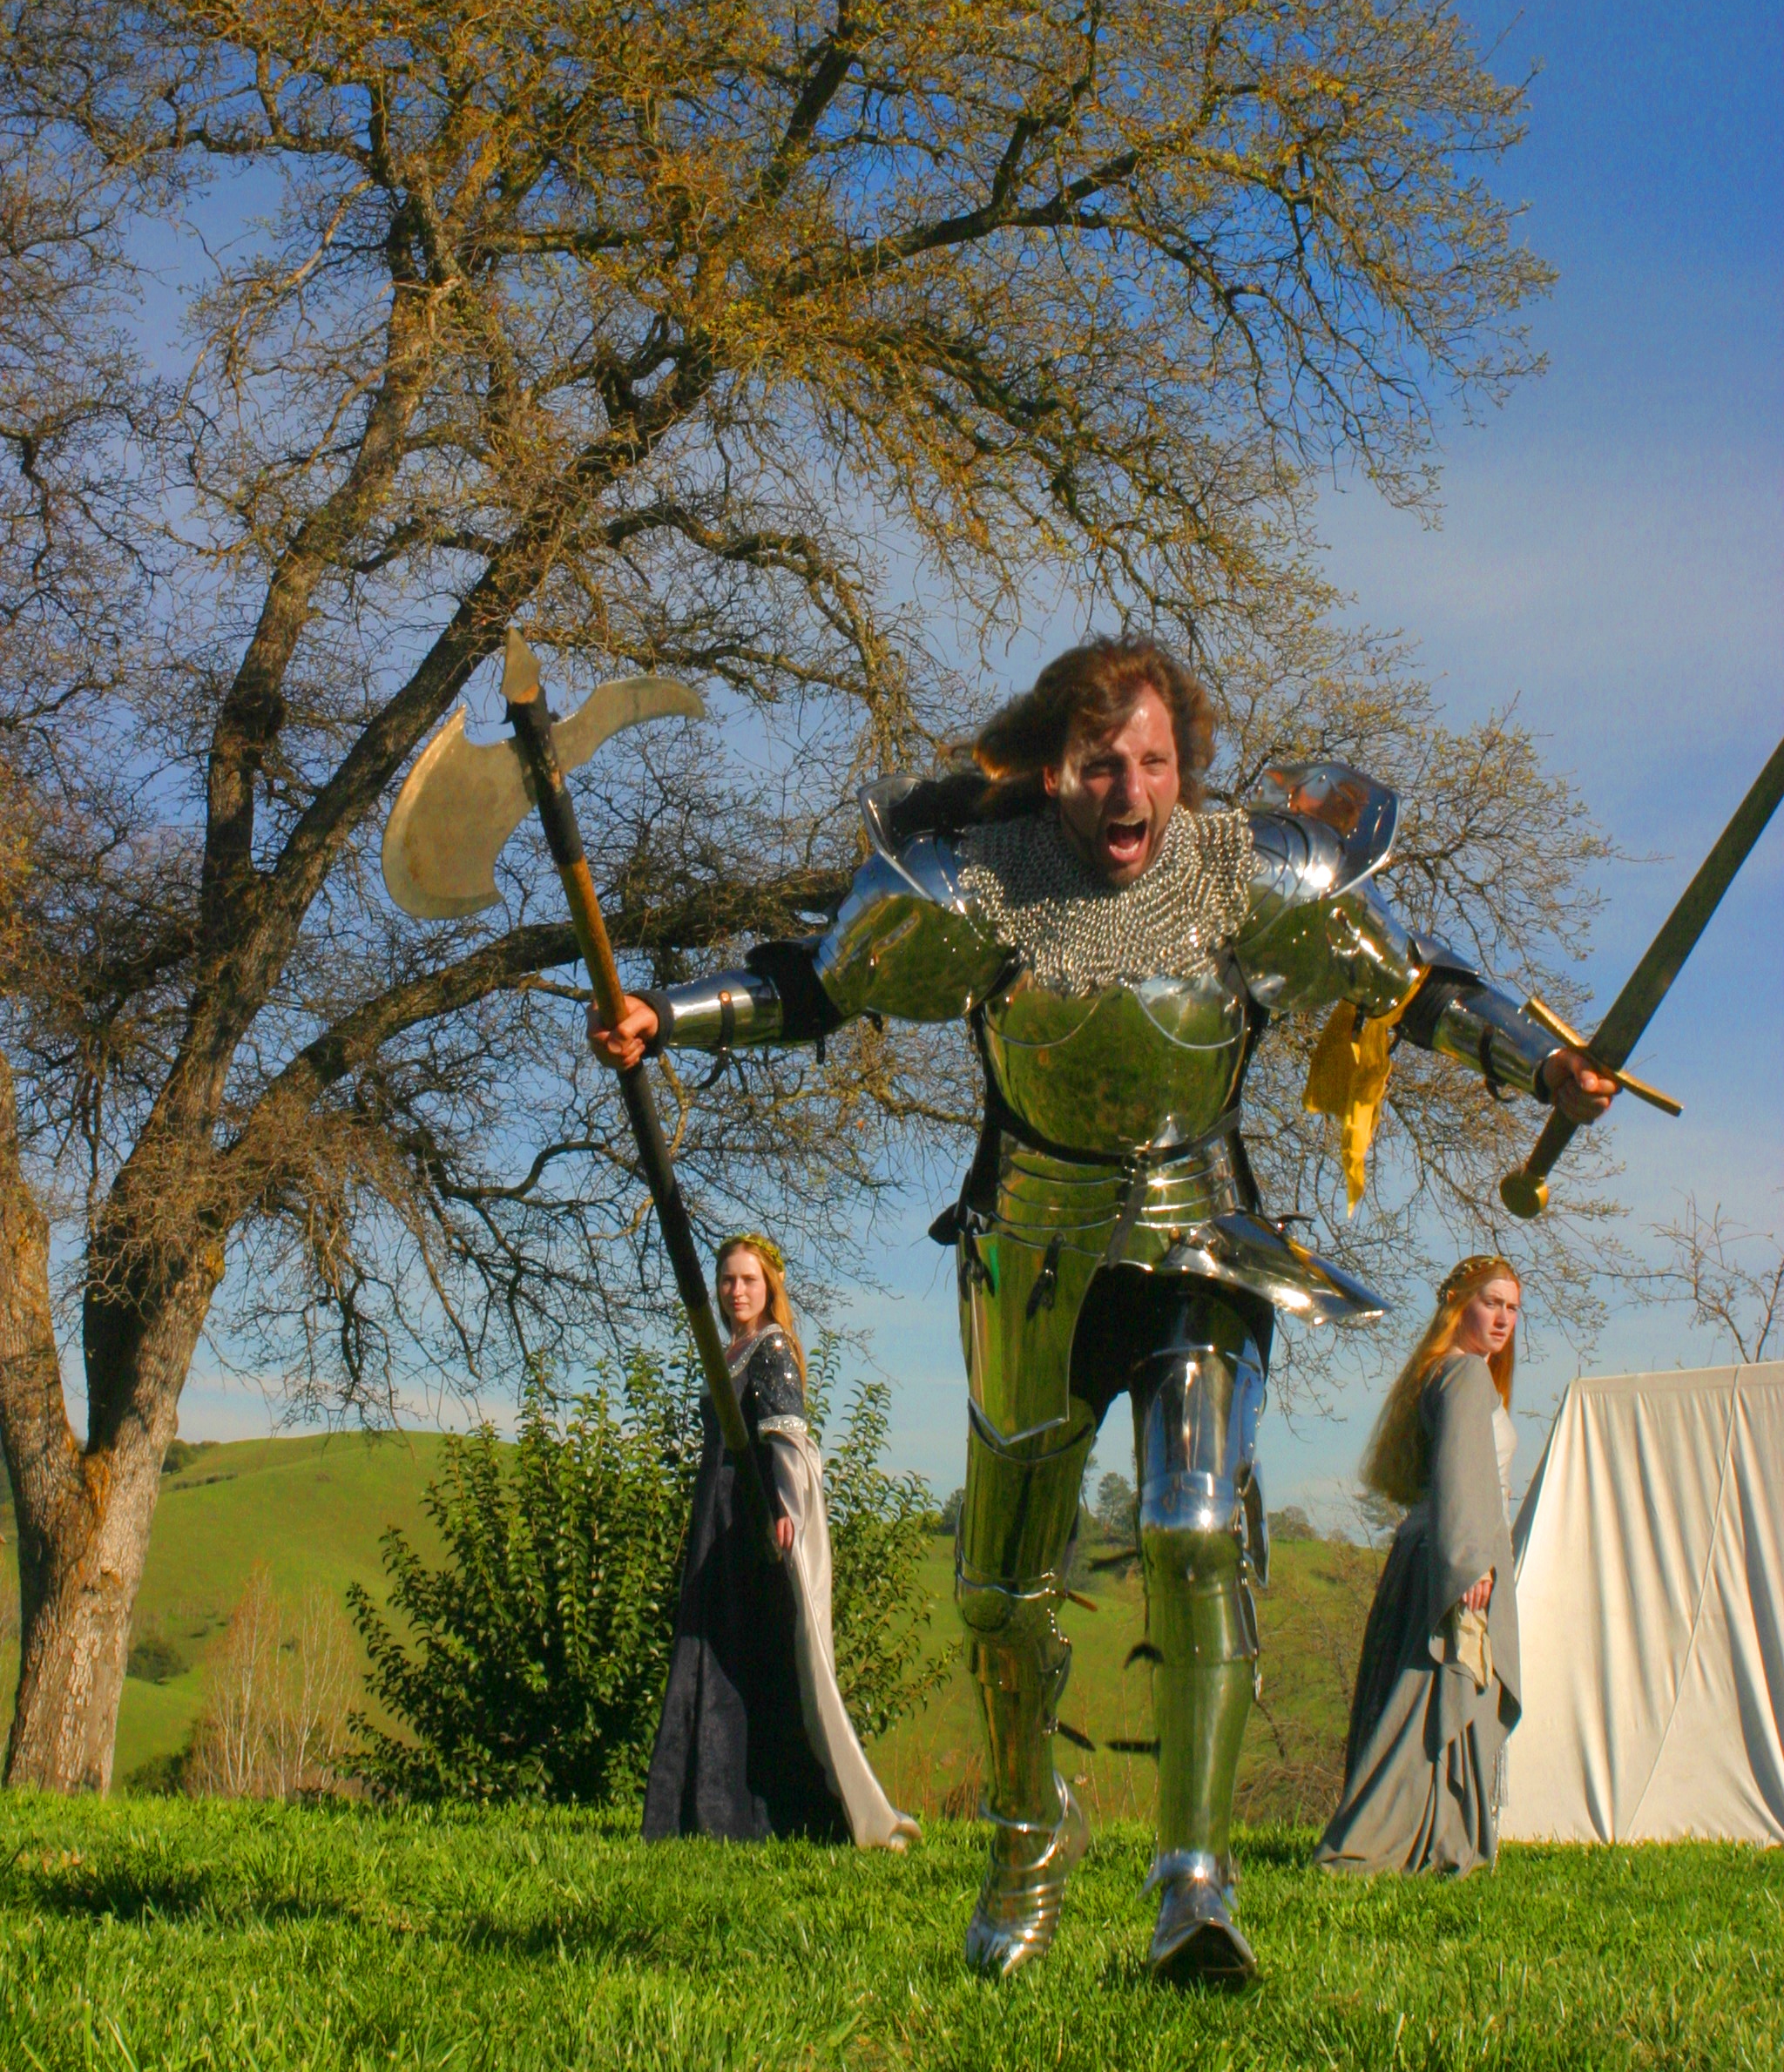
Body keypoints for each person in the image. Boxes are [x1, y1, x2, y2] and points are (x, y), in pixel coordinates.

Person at [594, 638, 1613, 1981]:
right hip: (1032, 1258)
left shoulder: (1253, 874)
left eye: (1153, 762)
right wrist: (667, 1014)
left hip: (1202, 1246)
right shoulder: (972, 886)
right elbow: (820, 985)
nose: (1129, 791)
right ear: (1053, 772)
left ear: (1182, 767)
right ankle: (1030, 1834)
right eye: (1099, 765)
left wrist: (1543, 1063)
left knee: (1196, 1529)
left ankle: (1195, 1882)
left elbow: (1411, 982)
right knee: (998, 1596)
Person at [642, 1231, 919, 1851]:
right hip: (717, 1512)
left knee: (746, 1654)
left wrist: (784, 1511)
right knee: (710, 1644)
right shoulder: (731, 1348)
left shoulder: (770, 1346)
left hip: (751, 1517)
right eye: (728, 1280)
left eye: (748, 1280)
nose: (736, 1290)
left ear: (769, 1287)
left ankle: (753, 1812)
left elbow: (788, 1437)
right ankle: (696, 1810)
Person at [1315, 1256, 1524, 1877]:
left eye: (1513, 1308)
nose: (1503, 1319)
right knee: (1431, 1702)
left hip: (1429, 1550)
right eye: (1491, 1303)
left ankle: (1430, 1833)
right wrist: (1471, 1566)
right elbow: (1462, 1473)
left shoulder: (1440, 1372)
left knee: (1425, 1701)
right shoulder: (1464, 1375)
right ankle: (1392, 1839)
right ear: (1458, 1305)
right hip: (1457, 1557)